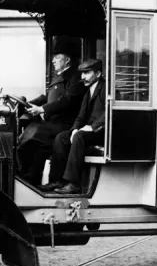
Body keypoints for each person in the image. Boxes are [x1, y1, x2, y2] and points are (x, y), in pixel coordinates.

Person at [14, 49, 85, 186]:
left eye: (57, 58)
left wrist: (42, 109)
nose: (53, 61)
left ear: (67, 60)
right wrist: (28, 104)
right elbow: (46, 97)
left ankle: (26, 180)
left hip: (66, 124)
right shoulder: (62, 76)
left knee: (33, 137)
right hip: (54, 123)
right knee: (33, 141)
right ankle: (30, 181)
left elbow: (67, 100)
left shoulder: (75, 77)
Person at [40, 59, 105, 194]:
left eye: (87, 73)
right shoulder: (89, 91)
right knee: (62, 137)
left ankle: (73, 183)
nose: (83, 77)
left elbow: (109, 113)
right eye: (82, 73)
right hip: (87, 131)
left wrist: (92, 128)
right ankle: (56, 180)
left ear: (98, 74)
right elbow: (81, 116)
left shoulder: (105, 89)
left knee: (79, 136)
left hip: (101, 133)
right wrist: (74, 129)